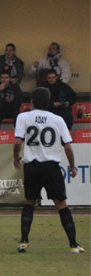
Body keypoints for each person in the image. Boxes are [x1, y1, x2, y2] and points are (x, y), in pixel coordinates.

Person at [13, 87, 84, 254]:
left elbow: (17, 142)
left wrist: (15, 157)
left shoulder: (23, 117)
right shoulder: (57, 119)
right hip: (51, 166)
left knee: (29, 202)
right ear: (49, 102)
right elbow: (67, 146)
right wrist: (72, 166)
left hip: (31, 166)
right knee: (61, 204)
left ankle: (24, 242)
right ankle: (73, 244)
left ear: (31, 102)